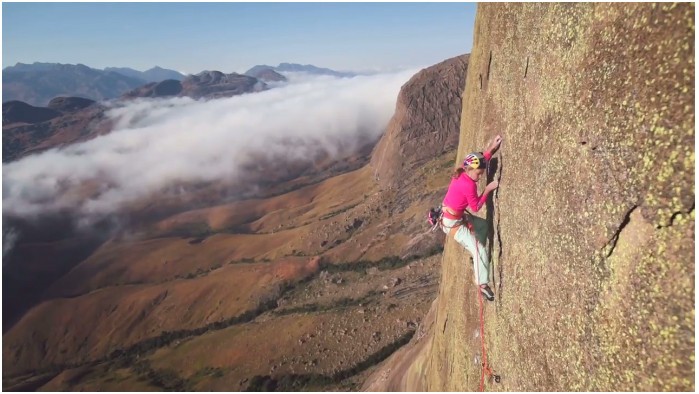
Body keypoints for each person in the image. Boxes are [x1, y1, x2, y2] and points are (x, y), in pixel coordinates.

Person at [440, 135, 502, 301]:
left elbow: (480, 161)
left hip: (453, 217)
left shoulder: (463, 170)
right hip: (453, 224)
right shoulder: (468, 184)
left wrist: (492, 149)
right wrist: (488, 189)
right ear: (470, 170)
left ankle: (477, 259)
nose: (480, 176)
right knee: (480, 250)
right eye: (479, 173)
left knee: (482, 227)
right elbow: (475, 207)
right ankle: (482, 285)